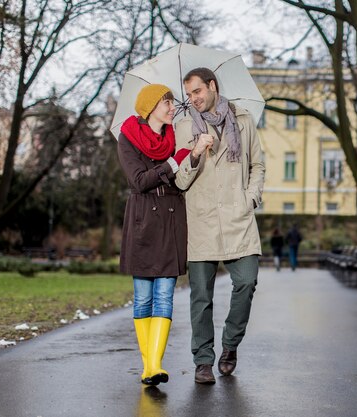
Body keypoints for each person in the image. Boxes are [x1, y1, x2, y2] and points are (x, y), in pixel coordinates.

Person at [174, 67, 265, 384]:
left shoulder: (242, 120)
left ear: (212, 86)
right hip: (201, 220)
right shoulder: (183, 126)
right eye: (188, 94)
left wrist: (250, 198)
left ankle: (230, 345)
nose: (193, 99)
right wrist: (196, 152)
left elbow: (257, 164)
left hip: (238, 217)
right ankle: (202, 361)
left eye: (197, 91)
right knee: (201, 297)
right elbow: (180, 179)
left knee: (247, 282)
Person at [117, 84, 191, 386]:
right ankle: (149, 366)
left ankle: (154, 365)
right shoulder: (128, 138)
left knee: (164, 295)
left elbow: (183, 180)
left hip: (172, 218)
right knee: (143, 297)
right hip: (142, 219)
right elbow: (138, 181)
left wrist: (192, 156)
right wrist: (174, 161)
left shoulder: (175, 136)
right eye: (167, 103)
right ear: (150, 107)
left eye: (172, 103)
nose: (172, 108)